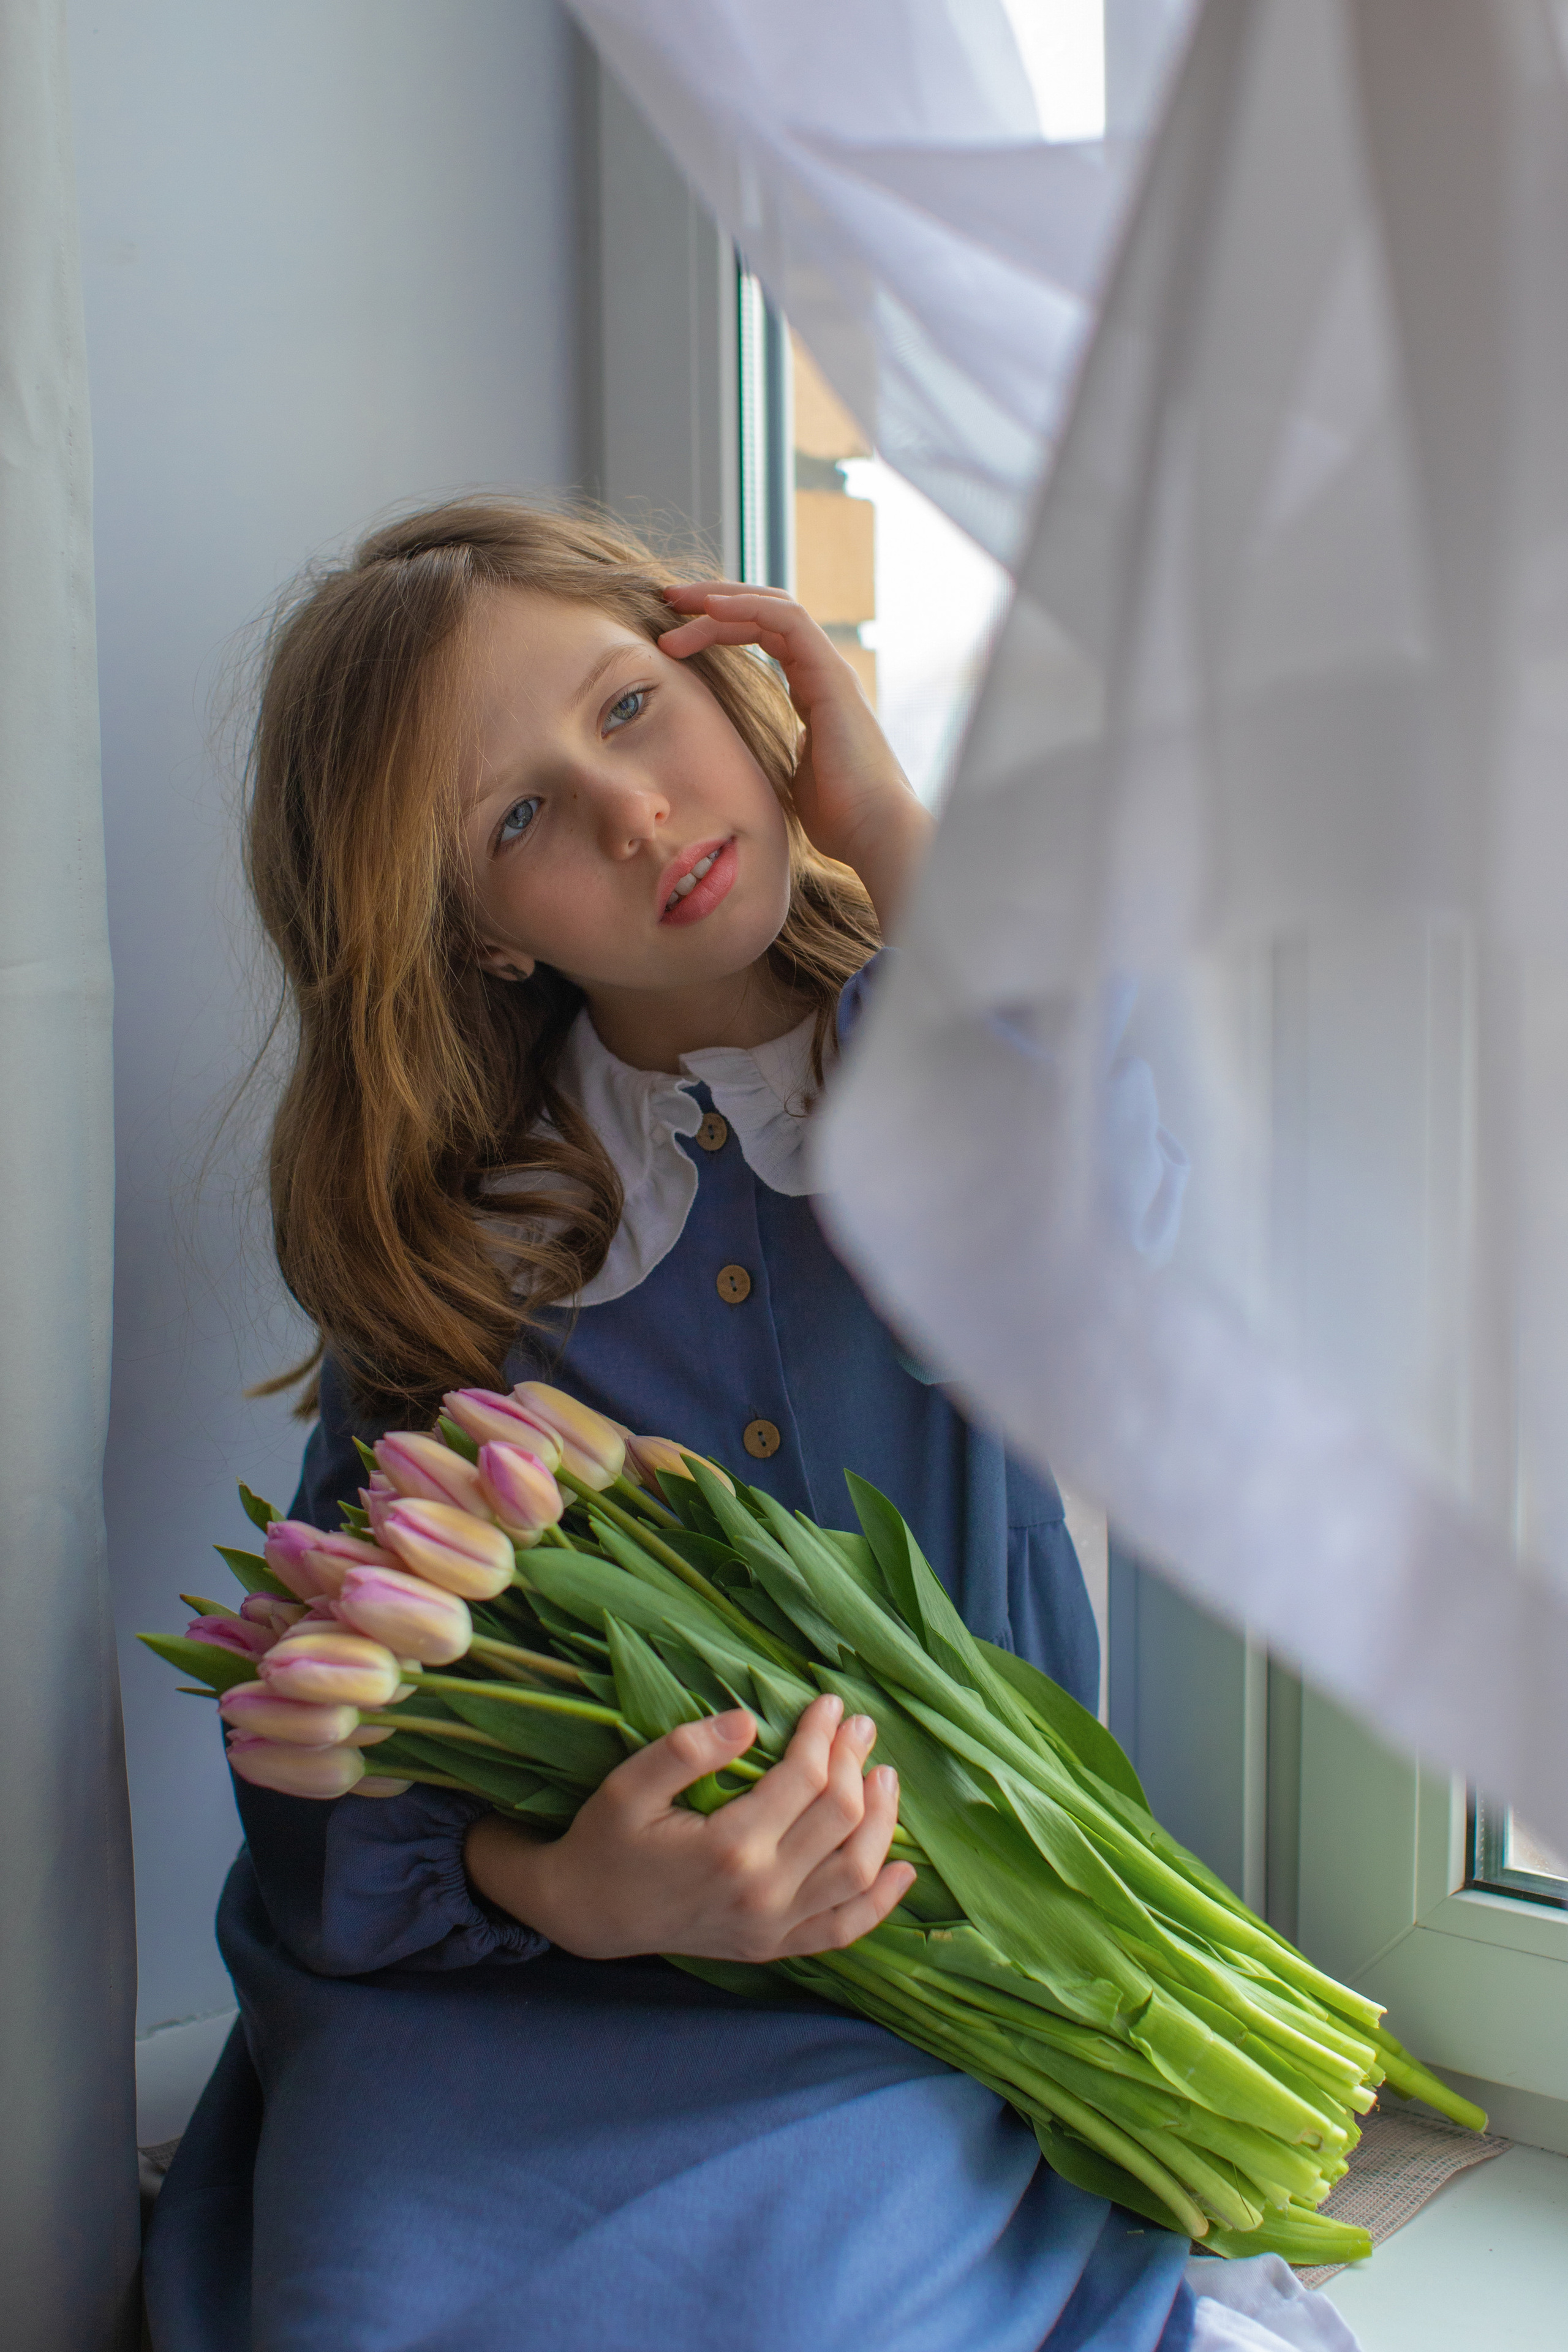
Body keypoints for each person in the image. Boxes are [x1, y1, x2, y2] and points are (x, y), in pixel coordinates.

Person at [143, 499, 1330, 2352]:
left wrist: (885, 823)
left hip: (910, 1971)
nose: (631, 814)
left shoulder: (941, 1097)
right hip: (524, 2000)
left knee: (807, 2310)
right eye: (519, 819)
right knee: (363, 2310)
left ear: (743, 683)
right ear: (472, 932)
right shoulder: (475, 1245)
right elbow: (331, 1703)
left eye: (631, 709)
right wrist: (560, 1886)